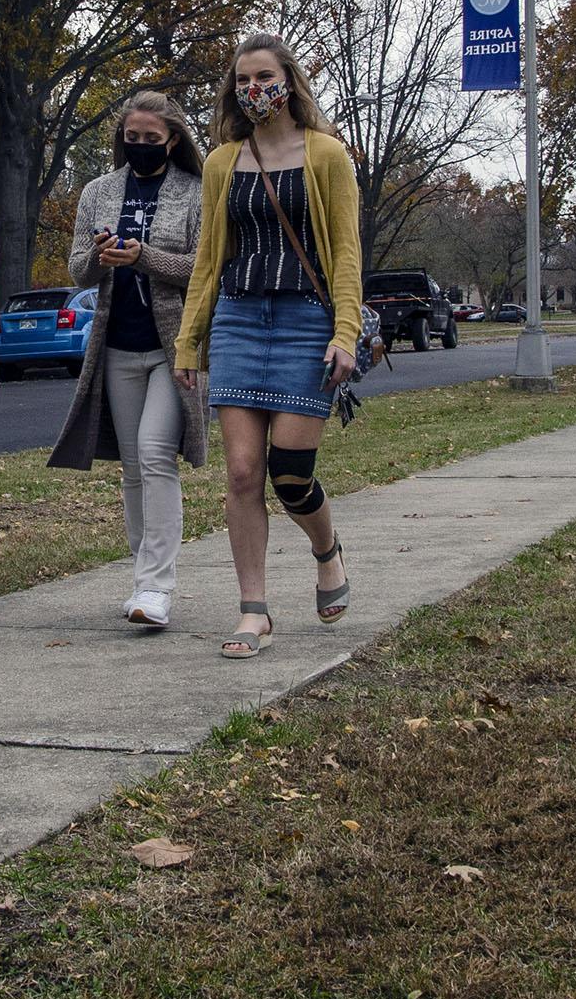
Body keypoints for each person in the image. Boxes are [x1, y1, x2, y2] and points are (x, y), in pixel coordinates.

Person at [172, 33, 362, 659]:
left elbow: (347, 254)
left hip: (306, 323)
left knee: (289, 473)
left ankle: (325, 549)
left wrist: (345, 333)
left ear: (288, 80)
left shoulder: (327, 155)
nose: (253, 89)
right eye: (242, 80)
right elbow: (207, 260)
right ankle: (253, 609)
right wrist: (188, 342)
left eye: (263, 76)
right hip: (237, 321)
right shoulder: (223, 161)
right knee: (243, 472)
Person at [47, 91, 208, 628]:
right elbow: (77, 272)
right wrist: (99, 254)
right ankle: (144, 580)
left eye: (150, 139)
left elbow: (204, 270)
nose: (139, 146)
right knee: (135, 468)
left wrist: (144, 257)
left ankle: (157, 587)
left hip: (175, 345)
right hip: (116, 344)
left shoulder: (196, 191)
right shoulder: (98, 191)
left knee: (154, 451)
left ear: (173, 139)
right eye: (130, 138)